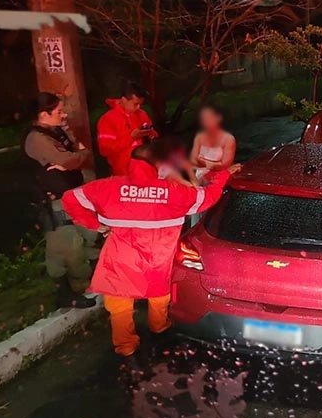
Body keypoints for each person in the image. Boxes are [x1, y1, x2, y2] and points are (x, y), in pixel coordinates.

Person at [61, 138, 242, 364]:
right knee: (159, 298)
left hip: (121, 262)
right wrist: (222, 175)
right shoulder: (175, 192)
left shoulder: (107, 187)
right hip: (158, 261)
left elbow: (70, 199)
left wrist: (96, 225)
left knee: (119, 306)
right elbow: (209, 197)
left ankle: (126, 349)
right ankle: (160, 330)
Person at [23, 92, 97, 309]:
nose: (63, 115)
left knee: (85, 238)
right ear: (43, 115)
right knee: (64, 247)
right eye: (58, 112)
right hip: (53, 201)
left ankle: (84, 283)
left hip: (70, 194)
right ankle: (67, 294)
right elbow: (70, 158)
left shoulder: (56, 131)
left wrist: (77, 156)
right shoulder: (37, 139)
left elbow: (78, 155)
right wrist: (76, 158)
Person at [97, 81, 158, 176]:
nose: (138, 107)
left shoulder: (142, 114)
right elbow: (105, 150)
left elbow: (153, 135)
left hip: (148, 170)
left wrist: (151, 134)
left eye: (140, 104)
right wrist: (131, 137)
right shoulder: (108, 119)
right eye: (135, 104)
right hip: (123, 173)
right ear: (124, 100)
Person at [190, 105, 236, 184]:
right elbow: (193, 160)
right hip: (200, 178)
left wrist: (203, 162)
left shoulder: (228, 139)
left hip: (218, 179)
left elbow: (224, 165)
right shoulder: (199, 136)